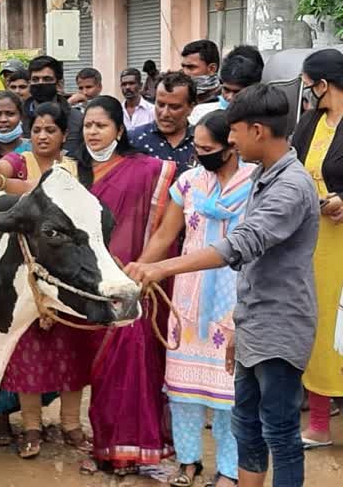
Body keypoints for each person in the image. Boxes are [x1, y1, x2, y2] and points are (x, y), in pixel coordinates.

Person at [126, 84, 320, 487]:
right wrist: (239, 323)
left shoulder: (290, 186)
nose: (228, 141)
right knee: (247, 426)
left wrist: (162, 269)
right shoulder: (267, 176)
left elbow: (243, 245)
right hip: (251, 320)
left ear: (257, 131)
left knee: (279, 433)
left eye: (232, 132)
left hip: (280, 326)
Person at [137, 110, 253, 487]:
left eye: (207, 149)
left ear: (230, 147)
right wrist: (138, 269)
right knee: (184, 391)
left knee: (230, 395)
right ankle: (188, 463)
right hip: (186, 301)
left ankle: (230, 472)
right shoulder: (188, 183)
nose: (199, 154)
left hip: (235, 302)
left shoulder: (256, 184)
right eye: (196, 147)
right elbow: (165, 235)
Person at [0, 101, 86, 460]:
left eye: (50, 130)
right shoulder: (20, 160)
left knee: (71, 349)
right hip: (25, 271)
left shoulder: (76, 168)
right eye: (36, 130)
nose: (42, 136)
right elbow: (0, 169)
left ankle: (70, 423)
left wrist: (4, 182)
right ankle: (32, 426)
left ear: (64, 135)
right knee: (27, 351)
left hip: (67, 271)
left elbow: (64, 200)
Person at [74, 96, 176, 477]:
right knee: (101, 373)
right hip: (93, 288)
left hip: (135, 286)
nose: (93, 132)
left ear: (120, 129)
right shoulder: (77, 172)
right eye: (88, 125)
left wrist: (143, 267)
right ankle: (106, 448)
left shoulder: (148, 170)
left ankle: (137, 450)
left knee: (131, 366)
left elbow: (168, 224)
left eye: (101, 125)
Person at [293, 49, 343, 450]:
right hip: (317, 241)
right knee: (321, 325)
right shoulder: (309, 122)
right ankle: (320, 425)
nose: (308, 93)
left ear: (323, 84)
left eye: (310, 85)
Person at [130, 71, 197, 178]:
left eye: (174, 107)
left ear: (191, 107)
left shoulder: (203, 142)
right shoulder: (133, 140)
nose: (165, 113)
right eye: (160, 105)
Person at [23, 55, 83, 155]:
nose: (40, 84)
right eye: (35, 79)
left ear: (59, 84)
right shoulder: (19, 117)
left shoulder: (77, 119)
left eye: (47, 79)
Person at [190, 45, 264, 124]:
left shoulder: (265, 116)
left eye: (237, 92)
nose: (230, 97)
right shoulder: (202, 112)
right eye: (226, 90)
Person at [181, 39, 221, 105]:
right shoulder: (181, 97)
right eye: (183, 67)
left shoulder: (227, 99)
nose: (185, 72)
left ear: (212, 69)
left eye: (191, 67)